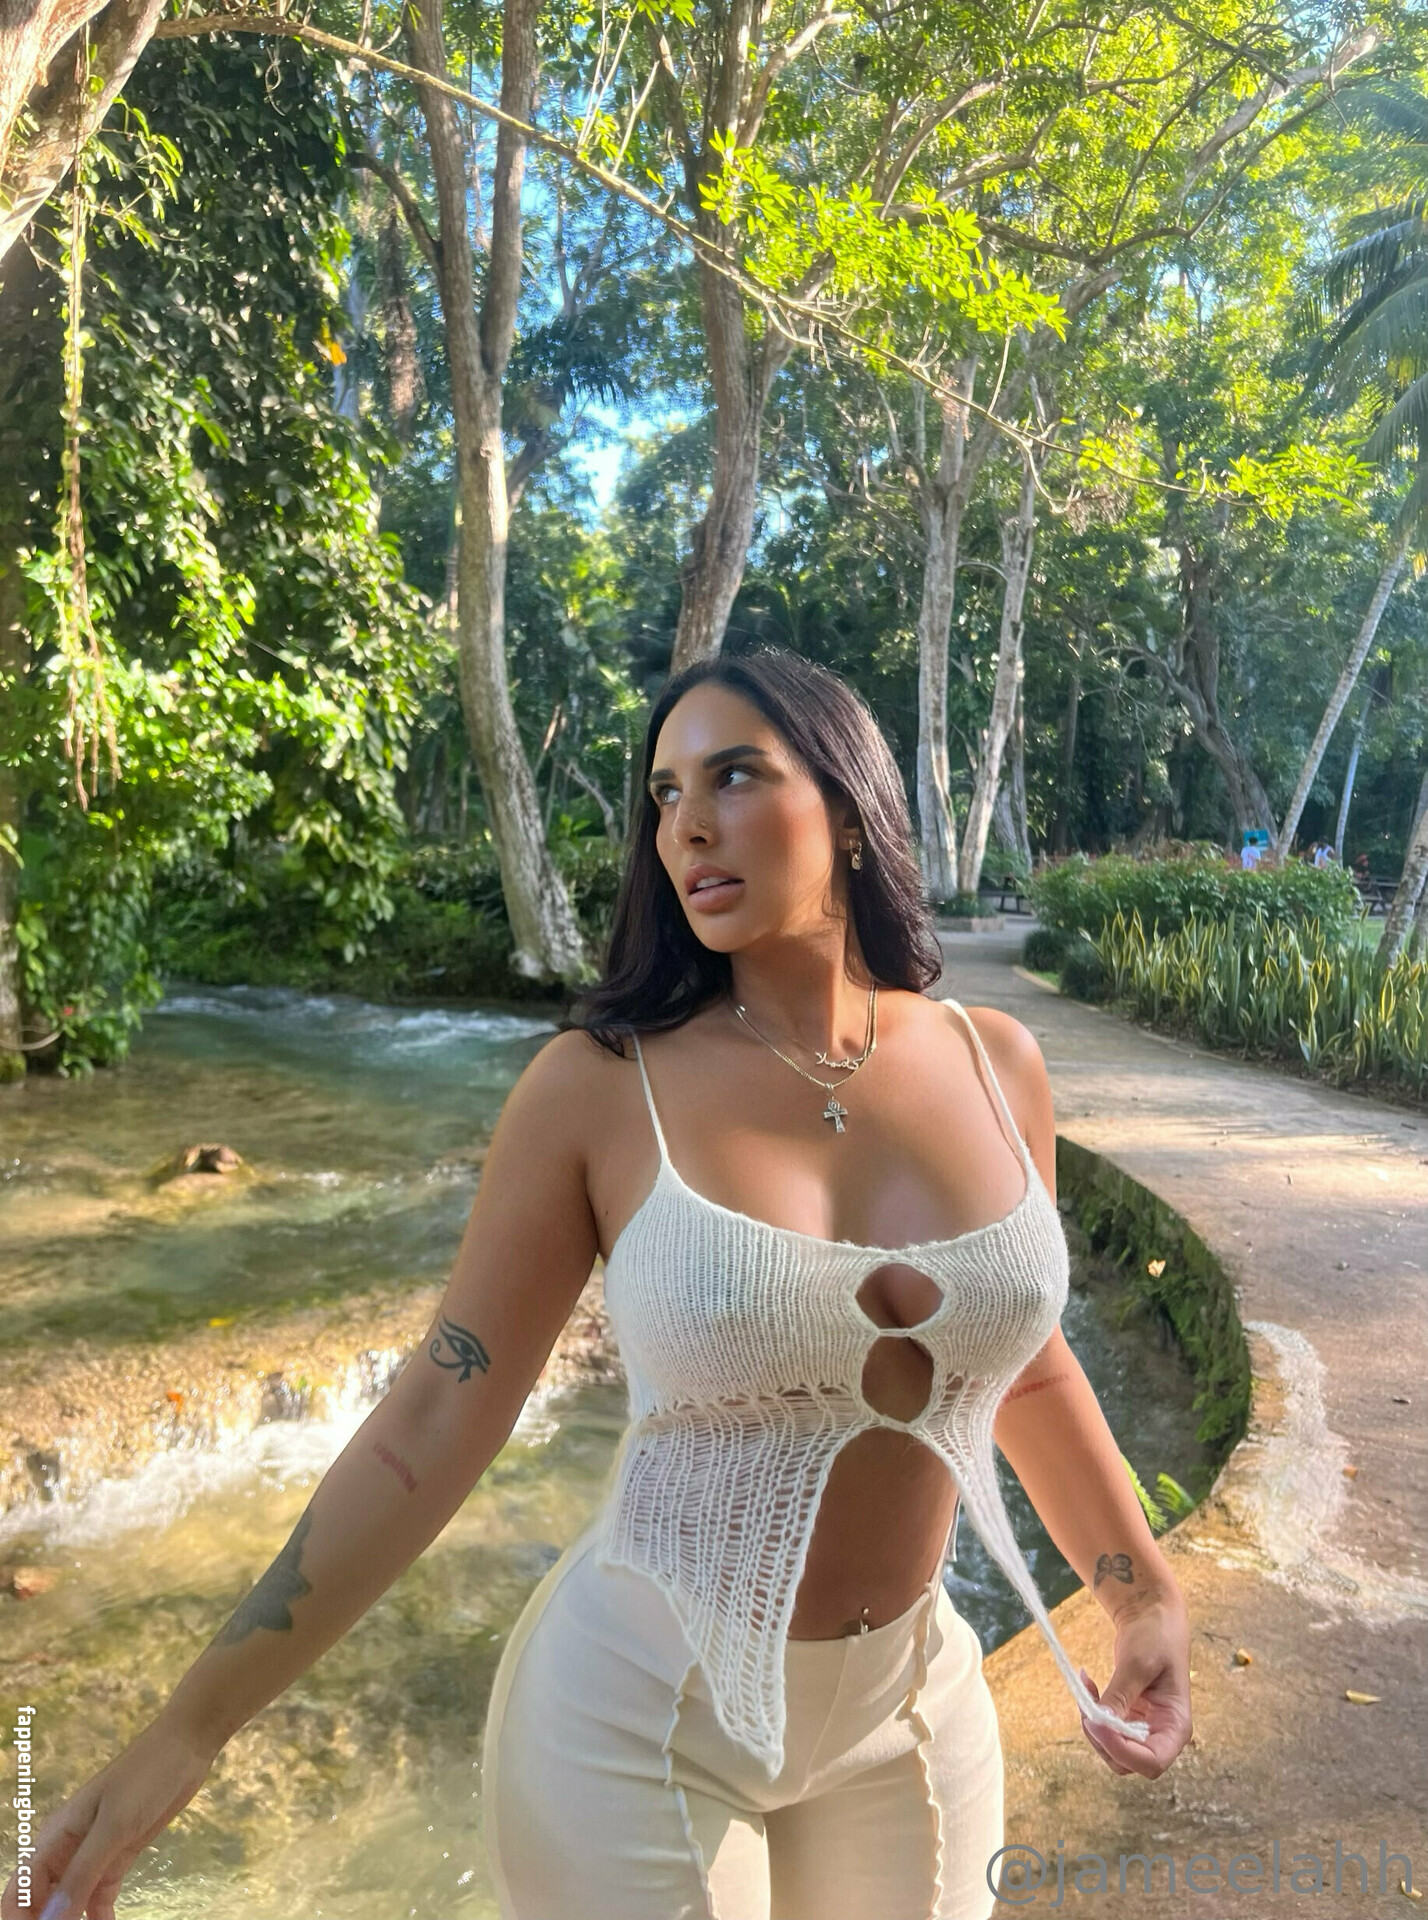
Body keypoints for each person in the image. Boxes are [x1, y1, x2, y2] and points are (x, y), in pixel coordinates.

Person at [5, 649, 1191, 1920]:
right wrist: (190, 1730)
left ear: (849, 808)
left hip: (910, 1709)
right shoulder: (597, 1089)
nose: (687, 825)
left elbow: (1028, 1365)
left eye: (734, 776)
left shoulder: (996, 1063)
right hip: (636, 1725)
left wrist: (1140, 1598)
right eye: (665, 794)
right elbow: (435, 1417)